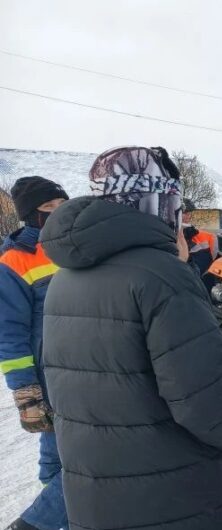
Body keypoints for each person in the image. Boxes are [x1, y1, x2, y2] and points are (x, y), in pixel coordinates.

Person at [39, 146, 222, 530]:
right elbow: (206, 407)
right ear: (160, 202)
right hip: (175, 499)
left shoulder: (64, 278)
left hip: (95, 499)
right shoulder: (162, 278)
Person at [0, 177, 69, 530]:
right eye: (47, 209)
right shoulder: (14, 260)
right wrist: (26, 392)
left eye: (62, 206)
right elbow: (9, 334)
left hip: (80, 367)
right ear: (30, 215)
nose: (57, 214)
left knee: (58, 452)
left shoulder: (75, 246)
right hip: (47, 374)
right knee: (68, 456)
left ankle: (60, 518)